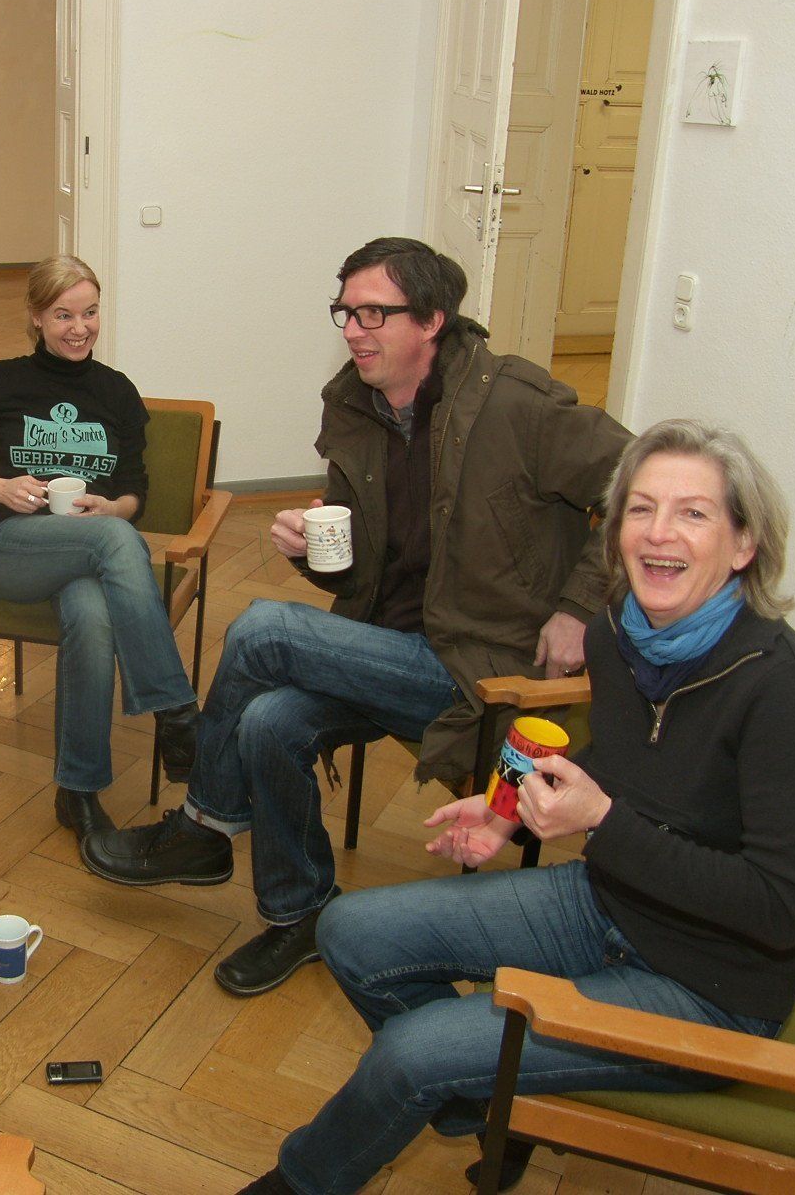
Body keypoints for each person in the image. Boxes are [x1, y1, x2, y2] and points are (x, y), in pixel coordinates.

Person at [235, 419, 795, 1194]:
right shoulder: (622, 631)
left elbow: (779, 909)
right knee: (349, 929)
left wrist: (602, 822)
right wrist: (508, 808)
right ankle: (488, 1095)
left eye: (693, 513)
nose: (660, 533)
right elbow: (620, 761)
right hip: (610, 901)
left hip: (709, 988)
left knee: (410, 1054)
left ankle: (312, 1174)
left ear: (745, 543)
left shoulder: (784, 688)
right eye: (641, 508)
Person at [83, 237, 633, 995]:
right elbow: (359, 567)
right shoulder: (356, 406)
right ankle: (299, 912)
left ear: (432, 320)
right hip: (390, 643)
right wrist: (311, 551)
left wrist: (577, 607)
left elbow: (640, 483)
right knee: (267, 722)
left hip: (480, 669)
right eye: (345, 311)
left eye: (374, 313)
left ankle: (205, 828)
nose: (352, 329)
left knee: (261, 630)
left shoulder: (516, 404)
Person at [0, 255, 200, 844]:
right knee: (115, 541)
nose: (80, 328)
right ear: (36, 317)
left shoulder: (116, 391)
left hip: (91, 552)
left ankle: (77, 791)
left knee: (94, 612)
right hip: (13, 549)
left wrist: (112, 509)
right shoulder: (0, 381)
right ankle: (175, 711)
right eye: (63, 315)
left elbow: (135, 491)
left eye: (90, 312)